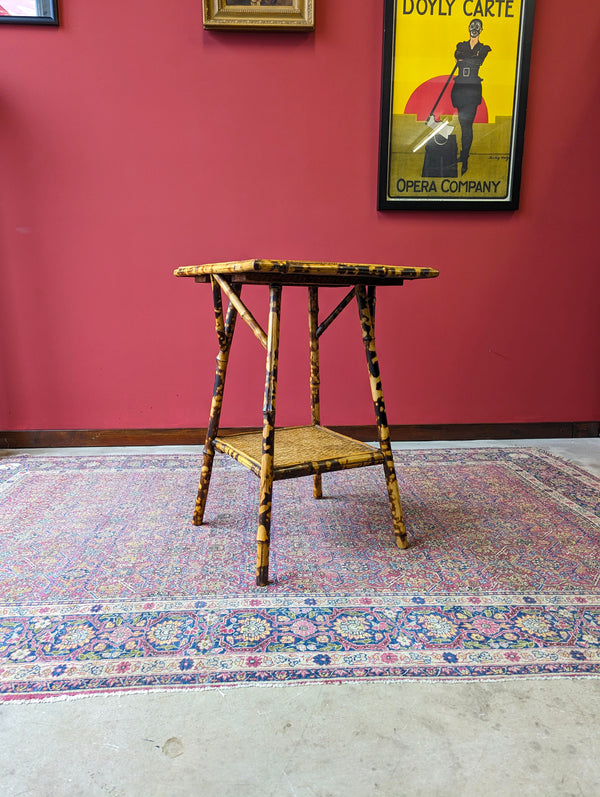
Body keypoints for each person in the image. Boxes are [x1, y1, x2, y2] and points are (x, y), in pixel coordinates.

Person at [451, 19, 491, 175]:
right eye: (472, 26)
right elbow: (458, 56)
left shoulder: (484, 48)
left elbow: (478, 61)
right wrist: (468, 59)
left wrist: (465, 60)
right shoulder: (461, 45)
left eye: (477, 27)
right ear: (468, 28)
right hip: (460, 89)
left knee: (467, 126)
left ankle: (465, 158)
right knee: (463, 124)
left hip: (472, 91)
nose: (474, 29)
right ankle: (463, 155)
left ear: (481, 29)